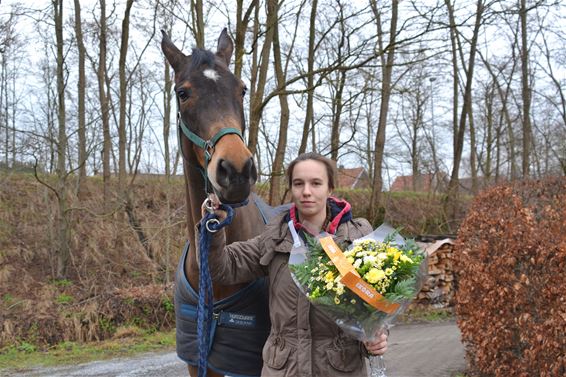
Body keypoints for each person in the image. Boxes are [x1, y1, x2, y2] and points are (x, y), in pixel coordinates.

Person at [199, 152, 388, 377]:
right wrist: (213, 230)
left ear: (330, 189)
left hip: (340, 368)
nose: (306, 191)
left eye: (316, 183)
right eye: (298, 183)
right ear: (291, 188)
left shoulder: (359, 239)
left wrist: (378, 335)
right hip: (284, 369)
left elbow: (380, 302)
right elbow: (222, 268)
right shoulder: (274, 238)